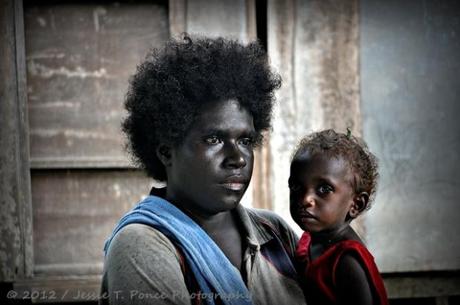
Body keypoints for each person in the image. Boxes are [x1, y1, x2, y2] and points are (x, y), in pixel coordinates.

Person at [100, 35, 307, 305]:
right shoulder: (141, 246)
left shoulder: (274, 233)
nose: (238, 158)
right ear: (165, 151)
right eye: (214, 139)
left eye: (245, 141)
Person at [289, 129, 389, 305]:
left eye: (324, 189)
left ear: (356, 204)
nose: (305, 199)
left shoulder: (347, 261)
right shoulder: (309, 242)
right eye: (297, 187)